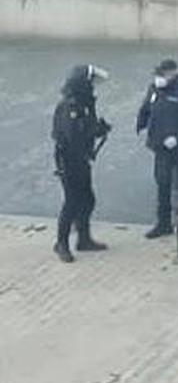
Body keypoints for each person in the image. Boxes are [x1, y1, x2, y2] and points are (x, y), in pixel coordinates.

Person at [136, 58, 178, 240]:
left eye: (162, 74)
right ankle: (163, 224)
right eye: (157, 74)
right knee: (163, 185)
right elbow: (147, 109)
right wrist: (141, 123)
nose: (159, 77)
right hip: (161, 149)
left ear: (173, 73)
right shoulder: (155, 90)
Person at [51, 64, 112, 263]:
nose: (93, 86)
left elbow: (86, 129)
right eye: (90, 82)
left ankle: (84, 239)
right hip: (69, 160)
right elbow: (72, 136)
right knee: (72, 202)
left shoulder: (84, 103)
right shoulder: (69, 106)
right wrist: (93, 132)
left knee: (87, 199)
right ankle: (62, 243)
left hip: (81, 159)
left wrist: (98, 129)